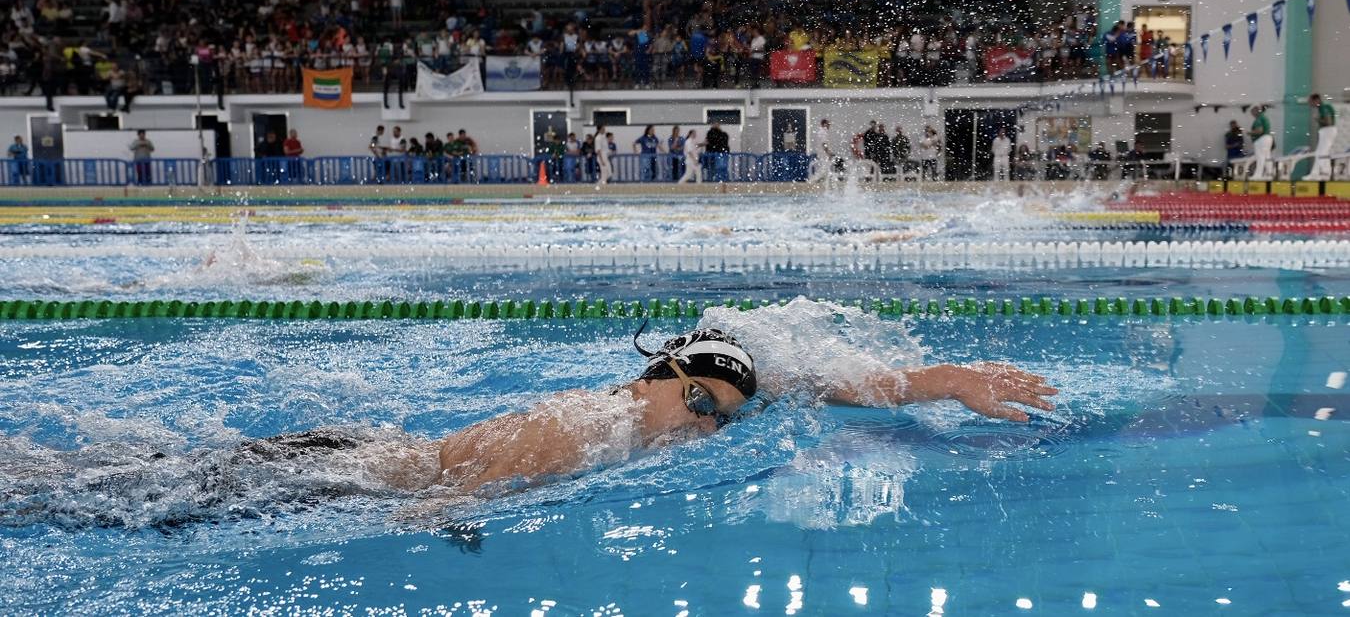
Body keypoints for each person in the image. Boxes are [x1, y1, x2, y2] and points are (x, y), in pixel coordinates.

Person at [25, 315, 1056, 520]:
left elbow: (790, 379)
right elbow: (509, 454)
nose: (702, 423)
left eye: (719, 419)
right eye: (697, 400)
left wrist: (938, 378)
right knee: (95, 501)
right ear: (659, 378)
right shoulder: (606, 416)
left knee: (128, 477)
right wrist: (455, 509)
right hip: (357, 474)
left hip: (365, 461)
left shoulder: (655, 410)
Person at [1307, 94, 1337, 180]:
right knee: (1321, 152)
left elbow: (1328, 122)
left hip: (1328, 130)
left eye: (1310, 102)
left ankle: (1323, 173)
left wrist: (1317, 119)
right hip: (1328, 130)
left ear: (1316, 100)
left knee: (1322, 152)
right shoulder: (1323, 107)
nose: (1310, 104)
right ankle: (1319, 173)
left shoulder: (1323, 107)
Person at [1248, 105, 1274, 180]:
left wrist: (1250, 133)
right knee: (1267, 157)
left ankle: (1258, 175)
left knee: (1260, 157)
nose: (1252, 114)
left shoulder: (1259, 119)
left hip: (1261, 139)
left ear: (1256, 111)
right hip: (1267, 138)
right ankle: (1269, 174)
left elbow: (1259, 130)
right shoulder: (1264, 117)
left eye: (1252, 112)